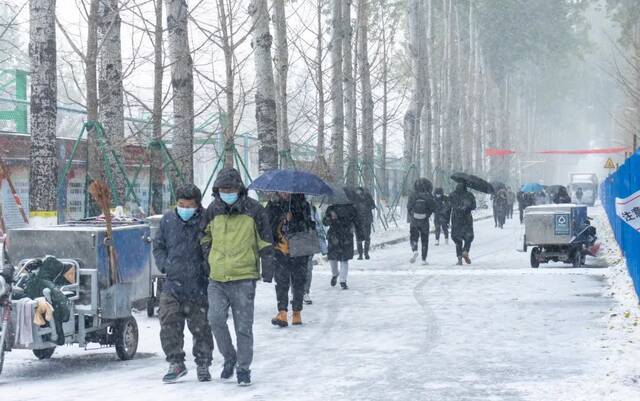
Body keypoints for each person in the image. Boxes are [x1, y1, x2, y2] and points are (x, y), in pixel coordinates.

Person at [201, 168, 275, 387]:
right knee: (215, 320)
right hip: (217, 277)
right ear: (217, 191)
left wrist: (268, 265)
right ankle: (229, 356)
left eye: (231, 189)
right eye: (223, 189)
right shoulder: (212, 210)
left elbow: (264, 240)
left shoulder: (254, 210)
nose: (227, 192)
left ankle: (243, 368)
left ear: (240, 189)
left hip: (244, 277)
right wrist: (207, 258)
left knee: (243, 326)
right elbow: (204, 236)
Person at [153, 184, 214, 383]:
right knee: (169, 322)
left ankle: (203, 363)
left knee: (201, 326)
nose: (185, 208)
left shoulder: (207, 219)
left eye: (189, 205)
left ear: (197, 205)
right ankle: (175, 362)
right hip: (172, 283)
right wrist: (165, 265)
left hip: (199, 284)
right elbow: (159, 245)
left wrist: (206, 267)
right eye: (181, 204)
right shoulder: (168, 220)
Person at [266, 192, 314, 327]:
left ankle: (297, 312)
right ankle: (282, 312)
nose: (284, 193)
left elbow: (308, 225)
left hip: (299, 249)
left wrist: (294, 219)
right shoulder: (273, 205)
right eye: (281, 191)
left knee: (298, 281)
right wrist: (280, 217)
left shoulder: (302, 204)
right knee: (281, 282)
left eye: (287, 191)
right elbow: (267, 224)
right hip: (280, 250)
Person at [323, 200, 359, 289]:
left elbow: (356, 221)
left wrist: (356, 230)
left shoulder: (351, 209)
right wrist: (330, 217)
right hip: (334, 236)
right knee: (332, 258)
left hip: (346, 236)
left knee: (344, 258)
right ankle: (335, 274)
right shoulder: (331, 209)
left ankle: (343, 280)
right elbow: (325, 222)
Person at [406, 178, 437, 264]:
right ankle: (423, 259)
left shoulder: (413, 195)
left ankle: (415, 249)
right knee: (424, 239)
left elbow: (408, 207)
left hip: (414, 220)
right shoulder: (428, 195)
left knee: (414, 236)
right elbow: (434, 208)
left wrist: (412, 214)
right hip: (424, 221)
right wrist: (428, 214)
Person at [304, 204, 327, 305]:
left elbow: (318, 226)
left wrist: (322, 243)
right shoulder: (288, 205)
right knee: (295, 269)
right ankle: (296, 292)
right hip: (293, 241)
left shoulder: (311, 208)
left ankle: (305, 292)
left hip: (309, 241)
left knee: (308, 268)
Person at [450, 182, 476, 265]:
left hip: (456, 219)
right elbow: (474, 206)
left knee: (457, 239)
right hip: (467, 218)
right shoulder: (469, 195)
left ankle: (459, 258)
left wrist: (446, 219)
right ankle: (465, 251)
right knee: (468, 237)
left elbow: (448, 207)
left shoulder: (452, 195)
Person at [352, 187, 376, 260]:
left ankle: (366, 253)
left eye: (359, 191)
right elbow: (352, 210)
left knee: (367, 237)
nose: (358, 192)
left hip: (366, 220)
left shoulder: (367, 196)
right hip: (358, 221)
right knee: (358, 238)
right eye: (357, 191)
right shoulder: (354, 199)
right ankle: (360, 254)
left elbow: (373, 206)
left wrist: (367, 207)